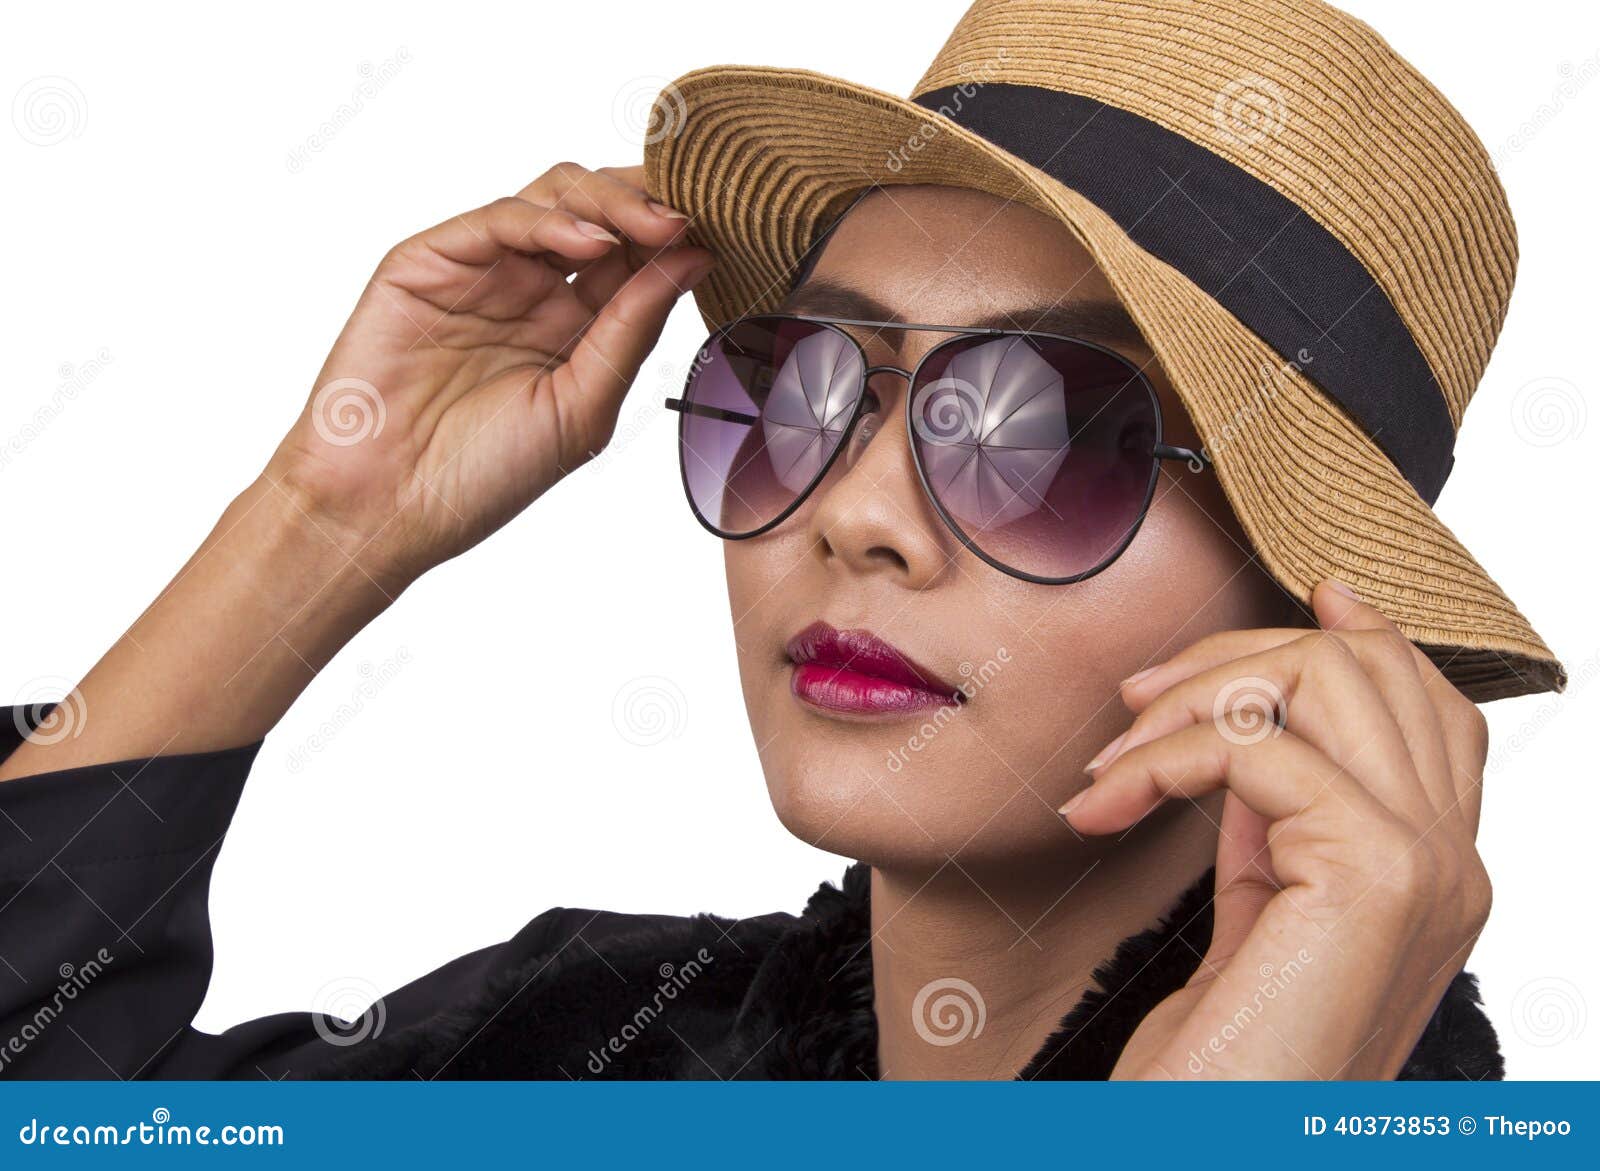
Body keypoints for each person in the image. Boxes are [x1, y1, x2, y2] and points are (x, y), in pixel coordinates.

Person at [0, 0, 1560, 1080]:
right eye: (804, 387)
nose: (859, 513)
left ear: (1307, 602)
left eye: (1043, 432)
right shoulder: (588, 1045)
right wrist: (318, 526)